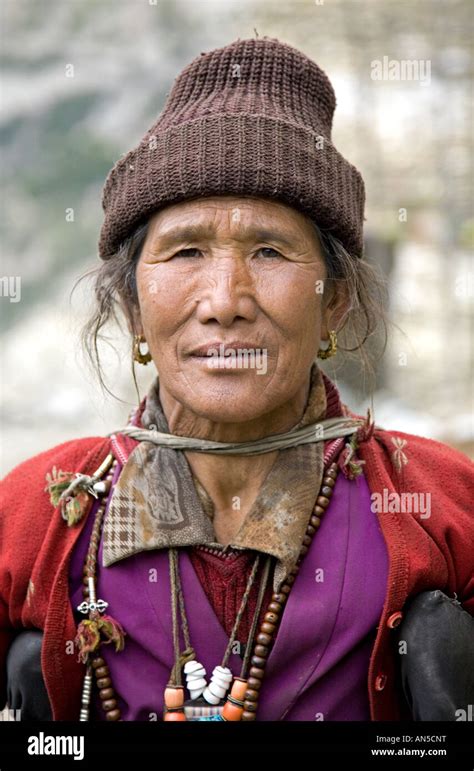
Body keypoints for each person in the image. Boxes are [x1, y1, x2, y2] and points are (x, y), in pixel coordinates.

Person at [1, 36, 473, 723]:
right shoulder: (33, 520)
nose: (225, 298)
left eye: (270, 250)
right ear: (133, 305)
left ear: (333, 299)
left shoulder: (439, 507)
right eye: (186, 250)